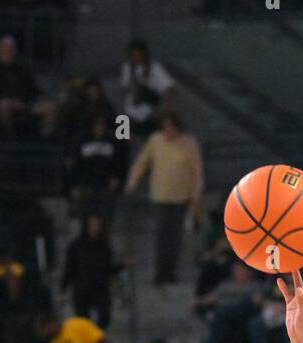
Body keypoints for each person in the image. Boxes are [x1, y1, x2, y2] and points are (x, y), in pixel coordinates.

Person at [125, 112, 203, 286]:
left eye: (171, 127)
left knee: (175, 237)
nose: (168, 131)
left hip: (181, 197)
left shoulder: (189, 143)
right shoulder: (155, 140)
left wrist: (195, 195)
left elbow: (196, 171)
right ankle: (160, 272)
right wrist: (132, 181)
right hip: (160, 196)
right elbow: (142, 162)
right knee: (161, 235)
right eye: (166, 127)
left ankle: (170, 271)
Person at [61, 214, 121, 328]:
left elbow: (108, 268)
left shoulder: (104, 245)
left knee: (104, 316)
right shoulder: (77, 245)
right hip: (82, 287)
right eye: (93, 225)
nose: (95, 228)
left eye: (98, 225)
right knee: (83, 321)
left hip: (100, 287)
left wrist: (123, 265)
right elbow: (69, 268)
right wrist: (63, 289)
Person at [119, 39, 176, 137]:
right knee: (122, 137)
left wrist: (161, 110)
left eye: (137, 54)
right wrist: (132, 84)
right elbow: (123, 88)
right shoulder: (127, 67)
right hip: (130, 114)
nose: (135, 58)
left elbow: (169, 89)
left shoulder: (154, 67)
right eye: (132, 55)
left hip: (149, 115)